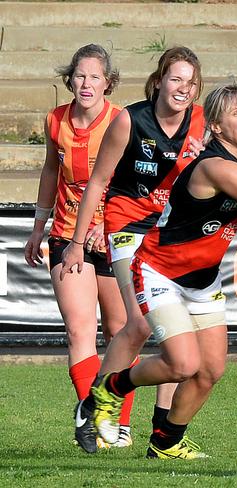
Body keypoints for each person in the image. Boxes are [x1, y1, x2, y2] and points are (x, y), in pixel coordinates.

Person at [88, 83, 237, 458]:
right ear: (216, 127)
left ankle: (166, 442)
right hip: (160, 271)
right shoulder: (215, 165)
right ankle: (111, 387)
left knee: (210, 370)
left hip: (203, 279)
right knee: (183, 363)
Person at [60, 46, 205, 454]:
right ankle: (95, 405)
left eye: (190, 82)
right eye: (175, 79)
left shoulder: (201, 123)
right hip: (125, 225)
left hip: (169, 229)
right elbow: (97, 182)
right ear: (159, 80)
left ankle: (163, 437)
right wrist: (75, 243)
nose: (182, 88)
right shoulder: (129, 120)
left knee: (177, 330)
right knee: (141, 325)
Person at [23, 44, 135, 450]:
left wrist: (107, 224)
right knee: (79, 330)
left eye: (95, 76)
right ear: (70, 78)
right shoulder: (56, 120)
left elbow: (129, 184)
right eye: (80, 75)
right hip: (67, 237)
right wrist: (39, 227)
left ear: (108, 82)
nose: (86, 84)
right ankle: (91, 420)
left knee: (122, 331)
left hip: (115, 237)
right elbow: (51, 169)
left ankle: (117, 422)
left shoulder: (122, 121)